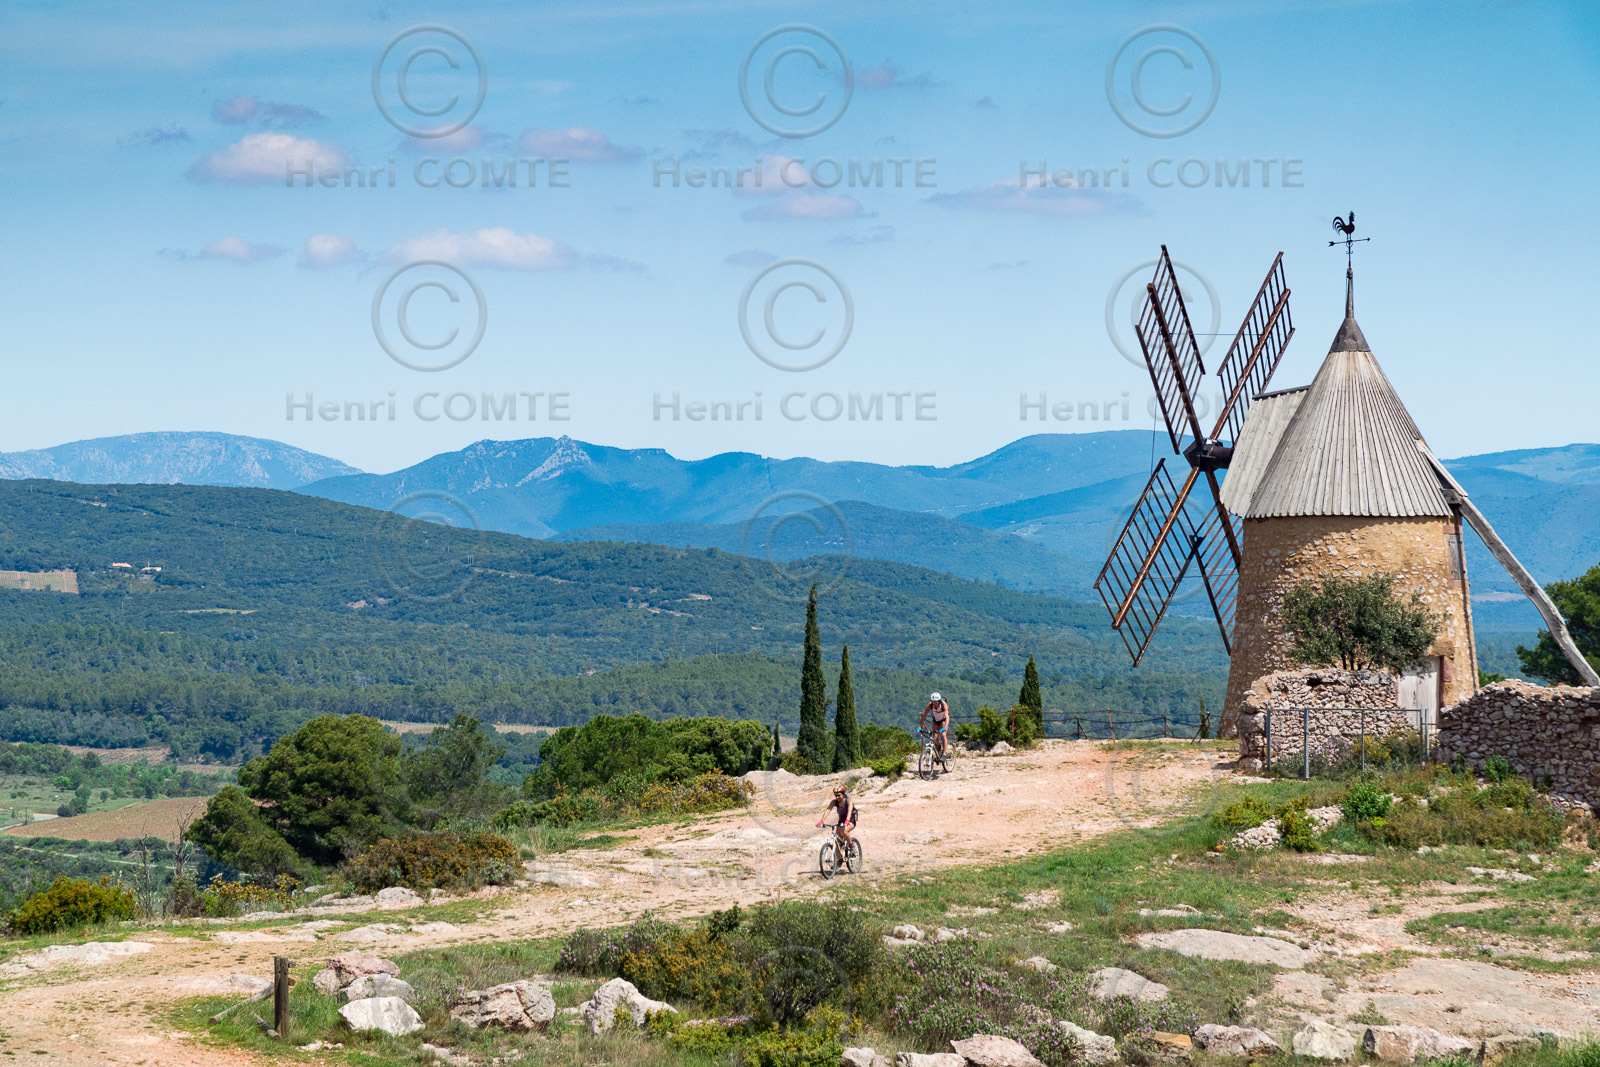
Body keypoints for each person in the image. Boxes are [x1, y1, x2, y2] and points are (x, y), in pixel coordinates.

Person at [816, 784, 858, 850]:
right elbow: (828, 810)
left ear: (843, 794)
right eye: (835, 795)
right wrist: (821, 821)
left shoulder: (849, 801)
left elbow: (849, 811)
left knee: (844, 831)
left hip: (850, 820)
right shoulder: (834, 802)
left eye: (839, 795)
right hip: (841, 821)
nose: (837, 797)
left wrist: (847, 821)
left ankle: (851, 845)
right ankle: (839, 856)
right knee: (837, 842)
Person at [920, 691, 951, 758]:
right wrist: (919, 727)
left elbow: (947, 717)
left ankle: (944, 754)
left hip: (943, 720)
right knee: (934, 738)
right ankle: (938, 749)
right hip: (936, 720)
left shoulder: (944, 705)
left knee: (943, 735)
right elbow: (924, 716)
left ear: (939, 701)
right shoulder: (930, 705)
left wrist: (945, 728)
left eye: (936, 702)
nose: (934, 704)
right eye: (933, 702)